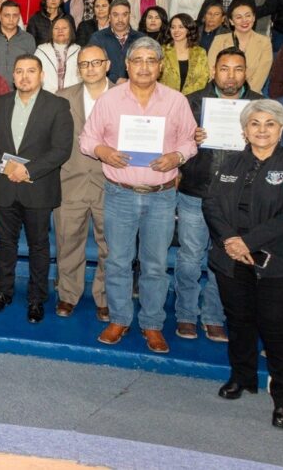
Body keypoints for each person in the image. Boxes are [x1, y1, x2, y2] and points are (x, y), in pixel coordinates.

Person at [80, 37, 198, 354]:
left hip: (161, 196)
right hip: (120, 194)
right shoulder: (109, 100)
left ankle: (152, 324)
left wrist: (177, 157)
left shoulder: (176, 101)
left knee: (155, 265)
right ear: (127, 64)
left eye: (150, 60)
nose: (144, 66)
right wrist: (103, 151)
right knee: (118, 261)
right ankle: (119, 319)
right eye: (137, 60)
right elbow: (86, 140)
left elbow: (190, 141)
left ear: (160, 66)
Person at [203, 99, 283, 429]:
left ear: (281, 129)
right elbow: (211, 204)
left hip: (274, 262)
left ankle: (282, 396)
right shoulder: (230, 163)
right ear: (244, 130)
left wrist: (247, 242)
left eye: (270, 123)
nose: (262, 130)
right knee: (238, 320)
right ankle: (242, 377)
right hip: (231, 258)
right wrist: (230, 240)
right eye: (255, 123)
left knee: (275, 328)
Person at [175, 47, 262, 343]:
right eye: (225, 68)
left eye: (238, 69)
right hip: (196, 192)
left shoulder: (258, 106)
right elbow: (173, 143)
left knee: (225, 259)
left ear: (246, 73)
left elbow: (270, 151)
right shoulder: (192, 102)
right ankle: (186, 314)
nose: (231, 75)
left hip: (236, 198)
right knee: (189, 257)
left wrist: (253, 140)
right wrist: (191, 138)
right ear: (214, 71)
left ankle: (213, 316)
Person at [0, 55, 73, 323]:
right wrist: (7, 167)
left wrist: (27, 171)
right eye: (19, 71)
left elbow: (61, 149)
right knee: (5, 243)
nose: (25, 76)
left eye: (31, 71)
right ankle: (3, 292)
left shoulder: (57, 106)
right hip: (4, 187)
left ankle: (36, 299)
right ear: (13, 76)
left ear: (41, 75)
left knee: (38, 246)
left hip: (38, 187)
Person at [54, 45, 113, 321]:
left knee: (110, 246)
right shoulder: (62, 98)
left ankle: (105, 297)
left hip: (111, 183)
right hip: (70, 181)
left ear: (107, 65)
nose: (90, 68)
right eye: (84, 64)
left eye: (96, 63)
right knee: (68, 242)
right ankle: (68, 294)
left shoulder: (124, 97)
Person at [208, 1, 272, 93]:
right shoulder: (219, 40)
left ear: (254, 18)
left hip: (251, 94)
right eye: (239, 17)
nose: (244, 20)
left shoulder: (264, 42)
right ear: (231, 21)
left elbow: (260, 77)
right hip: (220, 92)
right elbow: (212, 71)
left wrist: (243, 96)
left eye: (248, 16)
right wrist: (225, 94)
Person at [90, 0, 145, 83]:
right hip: (106, 87)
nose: (120, 19)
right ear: (109, 17)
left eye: (124, 15)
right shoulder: (98, 38)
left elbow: (147, 65)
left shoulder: (141, 39)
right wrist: (114, 79)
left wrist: (130, 82)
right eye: (115, 15)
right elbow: (92, 66)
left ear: (129, 16)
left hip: (135, 86)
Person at [0, 0, 36, 85]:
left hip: (19, 88)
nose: (11, 19)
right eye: (7, 15)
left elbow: (32, 68)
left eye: (15, 15)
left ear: (19, 17)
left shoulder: (28, 39)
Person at [159, 13, 209, 95]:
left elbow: (203, 78)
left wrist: (184, 97)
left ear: (189, 29)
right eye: (173, 27)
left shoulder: (200, 52)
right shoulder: (161, 51)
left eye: (181, 27)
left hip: (192, 98)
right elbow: (156, 77)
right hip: (165, 97)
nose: (176, 30)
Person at [35, 16, 81, 93]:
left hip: (73, 94)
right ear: (51, 32)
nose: (60, 31)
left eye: (64, 28)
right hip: (47, 95)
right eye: (56, 28)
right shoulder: (41, 51)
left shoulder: (79, 51)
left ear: (70, 31)